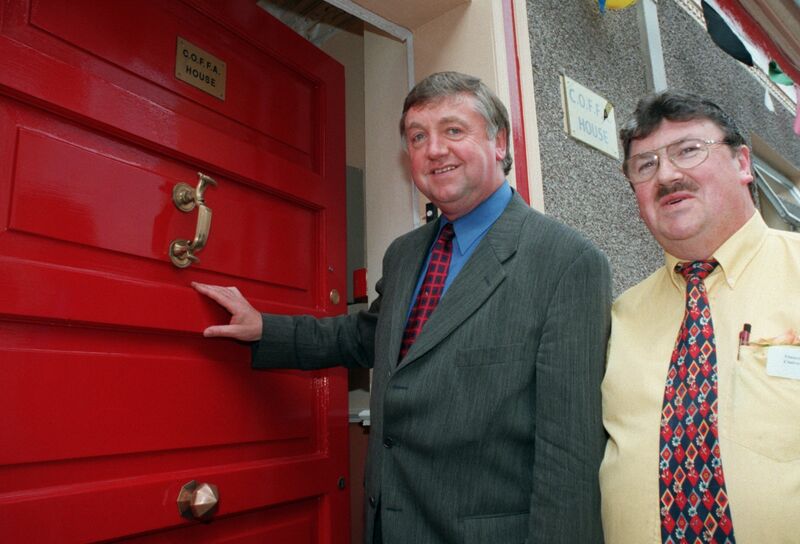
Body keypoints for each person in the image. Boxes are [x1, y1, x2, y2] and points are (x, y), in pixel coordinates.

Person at [194, 71, 611, 544]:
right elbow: (365, 338)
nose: (434, 149)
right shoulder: (406, 253)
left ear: (499, 142)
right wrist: (265, 328)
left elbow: (570, 455)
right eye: (418, 136)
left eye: (453, 130)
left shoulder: (567, 262)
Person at [600, 90, 800, 543]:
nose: (667, 175)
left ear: (743, 163)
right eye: (645, 165)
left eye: (688, 150)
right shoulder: (620, 316)